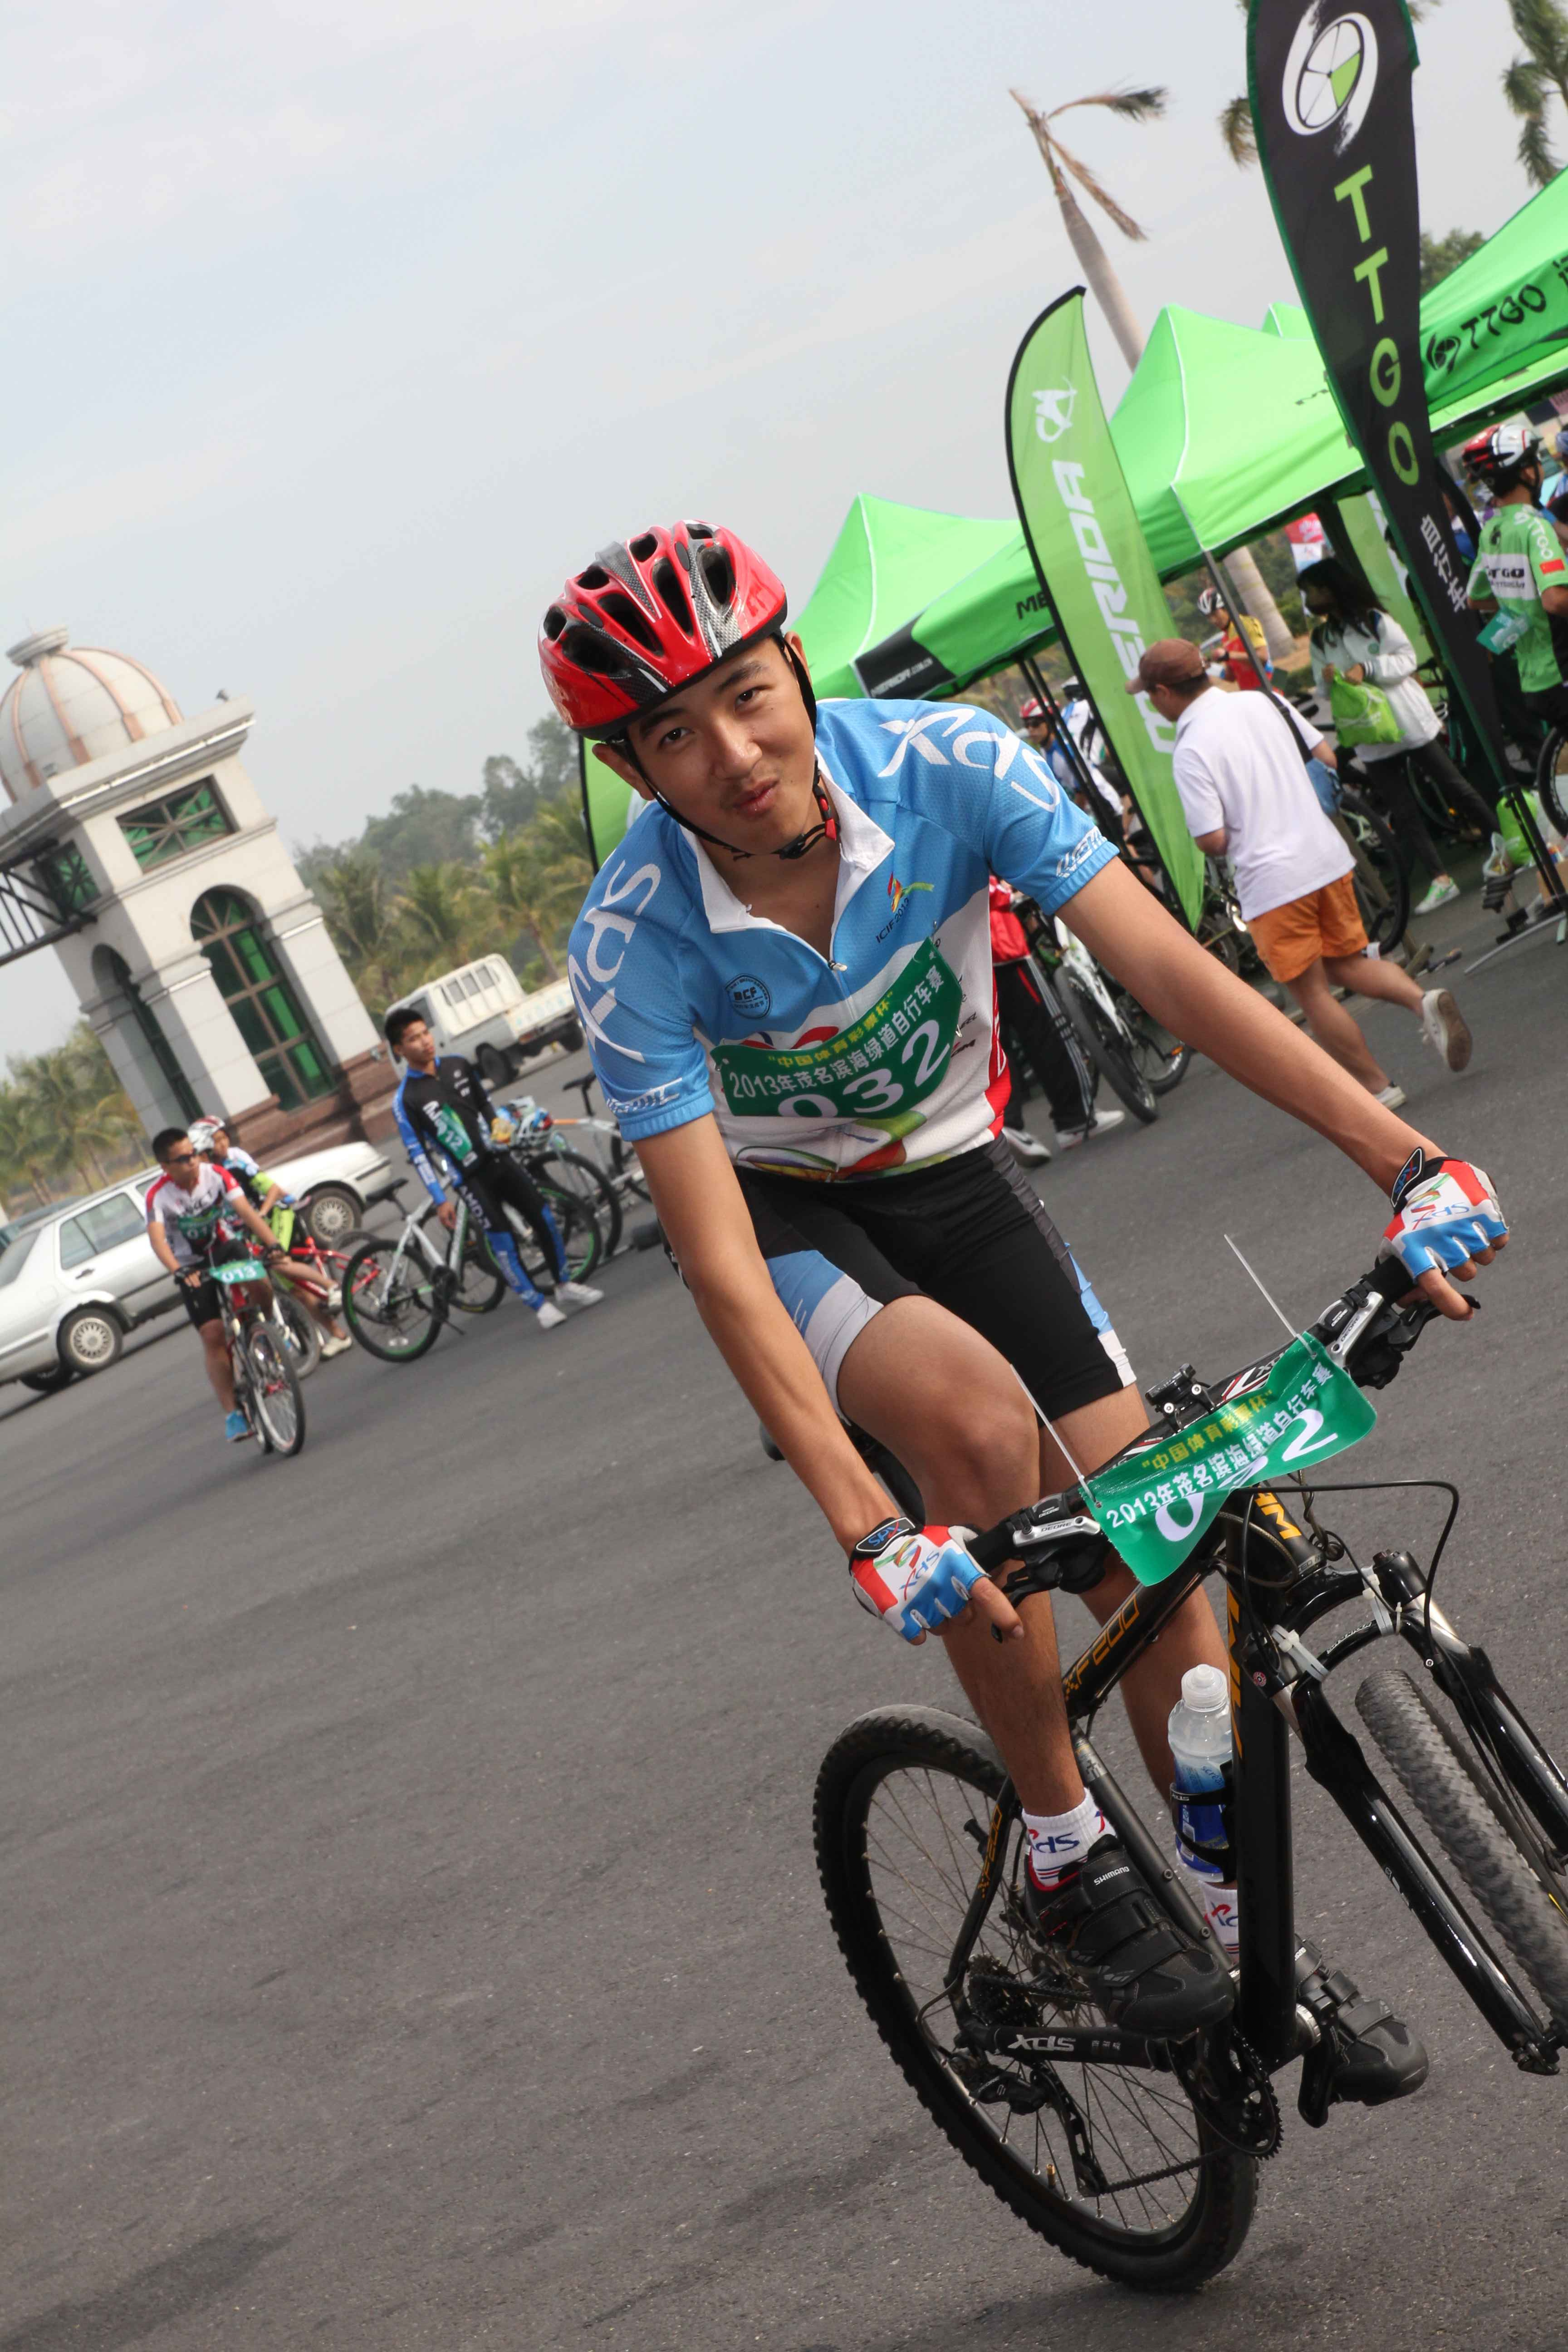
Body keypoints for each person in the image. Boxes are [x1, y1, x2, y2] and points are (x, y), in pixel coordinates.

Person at [544, 519, 1505, 2073]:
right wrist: (867, 1524)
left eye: (745, 694)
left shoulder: (948, 762)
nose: (732, 754)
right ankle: (1061, 1854)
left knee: (1149, 1541)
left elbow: (1173, 975)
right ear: (631, 767)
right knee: (979, 1436)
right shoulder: (631, 935)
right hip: (789, 1209)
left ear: (795, 666)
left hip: (958, 1170)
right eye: (672, 734)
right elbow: (716, 1256)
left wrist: (1406, 1162)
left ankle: (1245, 1936)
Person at [1151, 637, 1473, 1107]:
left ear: (1163, 692)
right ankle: (1421, 1001)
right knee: (1347, 963)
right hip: (1326, 857)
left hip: (1272, 882)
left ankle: (1379, 1088)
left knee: (1313, 993)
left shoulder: (1190, 749)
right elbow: (1326, 757)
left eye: (1150, 694)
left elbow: (1212, 839)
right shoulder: (1264, 700)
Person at [387, 1008, 603, 1329]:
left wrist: (497, 1125)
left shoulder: (458, 1065)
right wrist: (440, 1200)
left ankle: (564, 1284)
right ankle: (537, 1304)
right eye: (414, 1039)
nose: (425, 1042)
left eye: (425, 1033)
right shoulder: (406, 1100)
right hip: (470, 1178)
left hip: (499, 1158)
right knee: (503, 1241)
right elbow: (418, 1154)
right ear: (399, 1050)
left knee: (543, 1216)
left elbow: (484, 1103)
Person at [1299, 556, 1490, 916]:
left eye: (1312, 591)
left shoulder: (1374, 620)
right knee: (1403, 812)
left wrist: (1369, 668)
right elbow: (1323, 692)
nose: (1309, 600)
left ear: (1331, 588)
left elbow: (1407, 660)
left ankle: (1506, 840)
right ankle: (1440, 879)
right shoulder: (1321, 638)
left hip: (1405, 721)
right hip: (1370, 735)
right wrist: (1327, 680)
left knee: (1454, 786)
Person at [145, 1127, 295, 1441]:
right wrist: (177, 1270)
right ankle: (233, 1415)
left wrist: (272, 1243)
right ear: (166, 1167)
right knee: (212, 1334)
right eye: (183, 1159)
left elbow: (246, 1212)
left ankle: (266, 1330)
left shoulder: (215, 1175)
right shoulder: (158, 1195)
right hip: (190, 1264)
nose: (193, 1162)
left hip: (225, 1246)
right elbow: (158, 1240)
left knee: (260, 1280)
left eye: (194, 1153)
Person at [189, 1118, 353, 1359]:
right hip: (250, 1232)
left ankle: (331, 1286)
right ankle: (339, 1336)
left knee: (278, 1262)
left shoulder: (236, 1164)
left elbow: (273, 1189)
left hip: (276, 1216)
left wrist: (262, 1213)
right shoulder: (203, 1182)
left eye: (222, 1139)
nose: (222, 1145)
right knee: (295, 1290)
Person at [988, 877, 1123, 1158]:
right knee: (1049, 1030)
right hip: (1003, 947)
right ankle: (1076, 1117)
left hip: (968, 961)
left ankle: (1007, 1123)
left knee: (996, 1044)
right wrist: (1009, 893)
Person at [1464, 426, 1568, 740]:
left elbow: (1475, 598)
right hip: (1561, 670)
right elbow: (1555, 600)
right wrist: (1537, 599)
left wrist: (1522, 601)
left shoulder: (1492, 532)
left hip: (1533, 681)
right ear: (1526, 472)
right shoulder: (1535, 528)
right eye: (1535, 460)